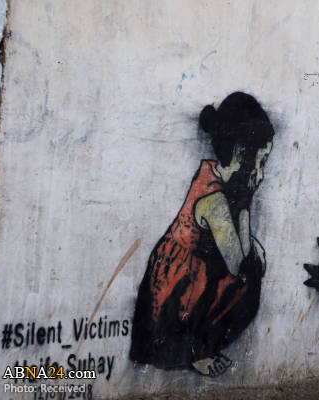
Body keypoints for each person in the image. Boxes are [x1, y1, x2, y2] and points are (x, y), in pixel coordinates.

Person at [130, 92, 274, 377]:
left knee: (250, 269)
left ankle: (197, 344)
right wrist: (247, 203)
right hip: (173, 297)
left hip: (193, 279)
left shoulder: (218, 176)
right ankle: (192, 350)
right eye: (260, 162)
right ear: (240, 154)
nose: (261, 173)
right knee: (248, 277)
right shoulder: (215, 201)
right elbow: (238, 263)